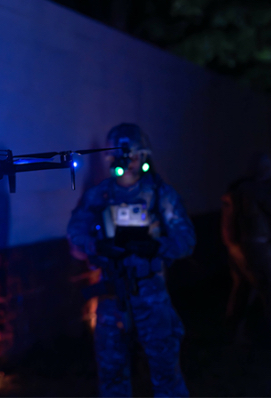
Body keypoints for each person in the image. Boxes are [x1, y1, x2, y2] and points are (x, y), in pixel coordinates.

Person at [67, 123, 195, 397]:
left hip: (151, 293)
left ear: (143, 155)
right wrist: (97, 246)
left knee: (165, 372)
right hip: (113, 292)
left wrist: (156, 246)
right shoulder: (100, 195)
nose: (126, 162)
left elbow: (186, 239)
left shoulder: (160, 194)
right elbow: (75, 234)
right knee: (112, 373)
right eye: (119, 155)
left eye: (132, 155)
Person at [221, 152, 271, 350]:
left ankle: (234, 335)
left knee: (243, 290)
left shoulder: (242, 189)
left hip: (241, 247)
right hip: (254, 247)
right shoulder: (254, 190)